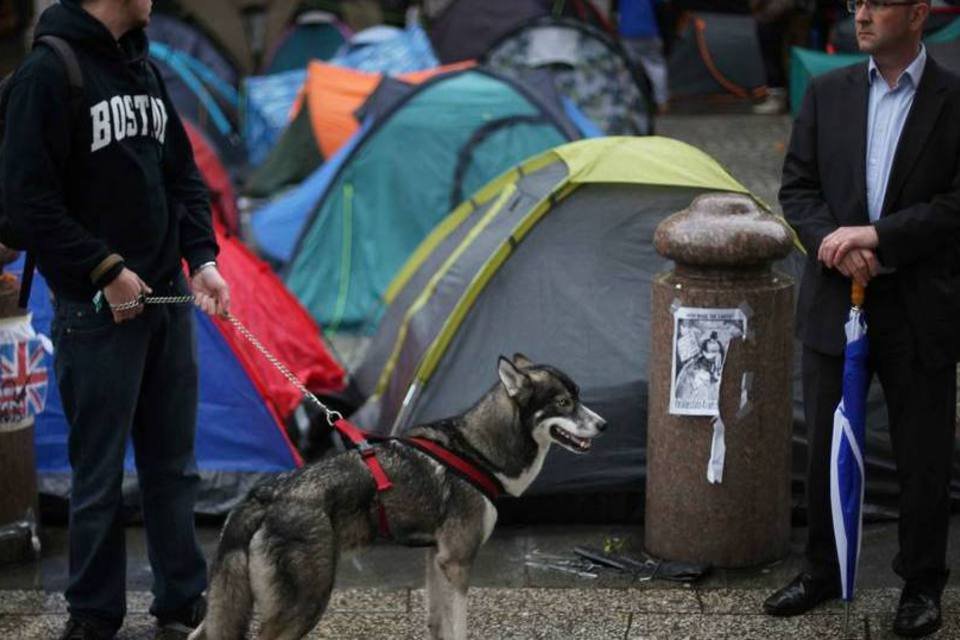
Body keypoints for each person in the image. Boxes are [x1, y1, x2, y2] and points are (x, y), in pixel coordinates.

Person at [0, 0, 231, 638]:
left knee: (173, 467)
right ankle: (94, 615)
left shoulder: (145, 71)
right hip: (96, 313)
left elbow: (183, 177)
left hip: (164, 305)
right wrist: (104, 268)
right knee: (98, 475)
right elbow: (25, 204)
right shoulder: (49, 74)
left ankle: (182, 598)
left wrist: (202, 258)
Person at [763, 0, 960, 636]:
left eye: (879, 3)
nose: (863, 15)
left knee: (923, 452)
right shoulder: (827, 92)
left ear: (920, 13)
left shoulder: (953, 98)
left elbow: (956, 204)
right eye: (857, 4)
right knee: (824, 444)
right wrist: (835, 245)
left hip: (919, 304)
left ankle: (922, 585)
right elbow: (797, 188)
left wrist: (876, 238)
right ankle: (821, 569)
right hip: (834, 298)